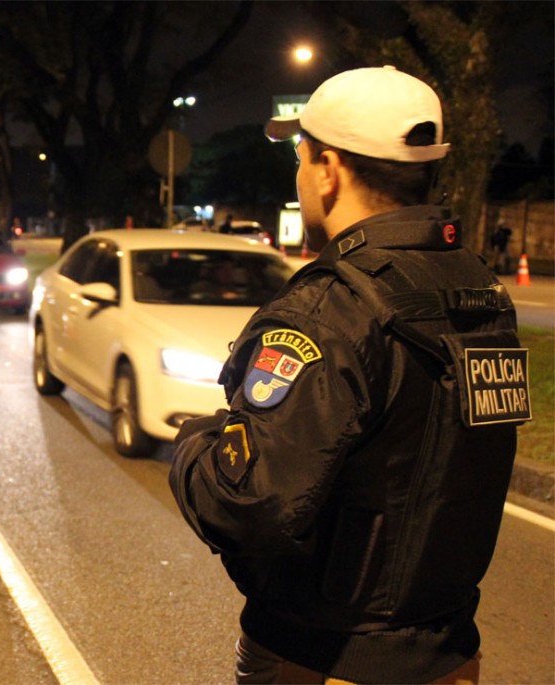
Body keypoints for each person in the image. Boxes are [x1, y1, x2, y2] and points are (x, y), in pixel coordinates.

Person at [169, 66, 529, 684]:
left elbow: (250, 505)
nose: (302, 175)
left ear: (329, 171)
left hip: (326, 657)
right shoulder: (480, 292)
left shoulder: (329, 314)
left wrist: (193, 447)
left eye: (303, 159)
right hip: (451, 655)